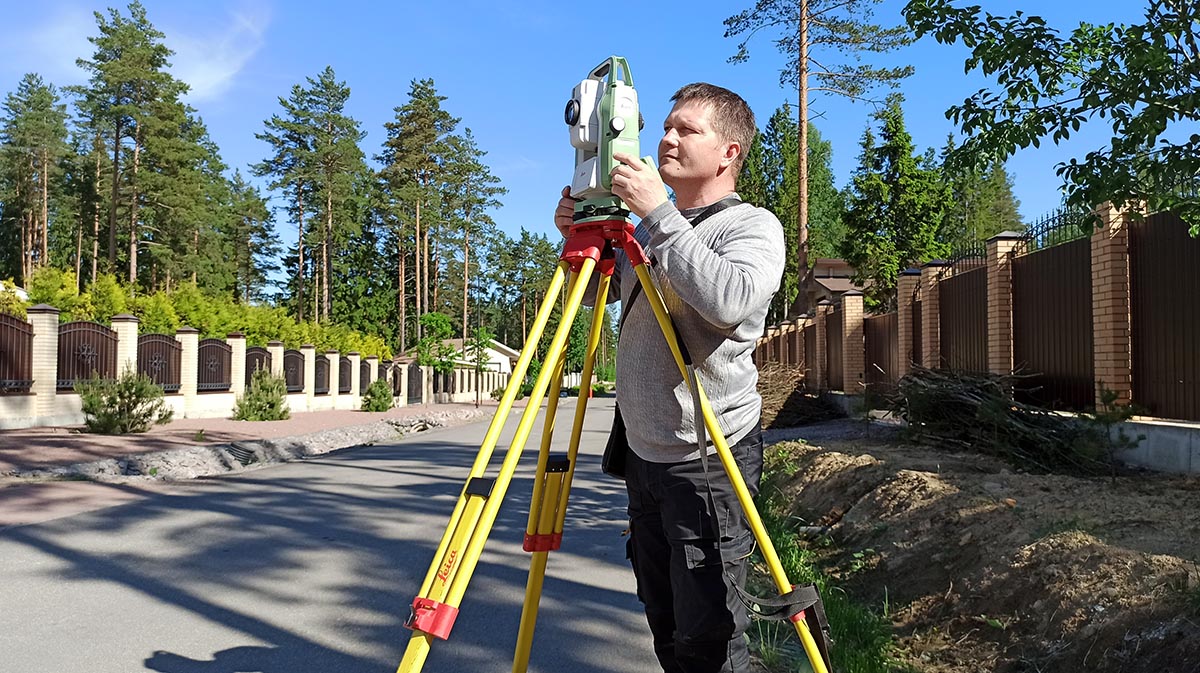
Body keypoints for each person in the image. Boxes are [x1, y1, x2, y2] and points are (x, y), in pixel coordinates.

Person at [554, 83, 785, 673]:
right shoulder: (653, 231)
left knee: (710, 634)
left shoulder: (751, 227)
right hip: (643, 454)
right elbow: (598, 303)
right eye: (666, 126)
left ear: (729, 151)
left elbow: (728, 299)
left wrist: (657, 214)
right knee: (665, 623)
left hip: (709, 457)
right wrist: (582, 239)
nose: (666, 138)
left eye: (687, 130)